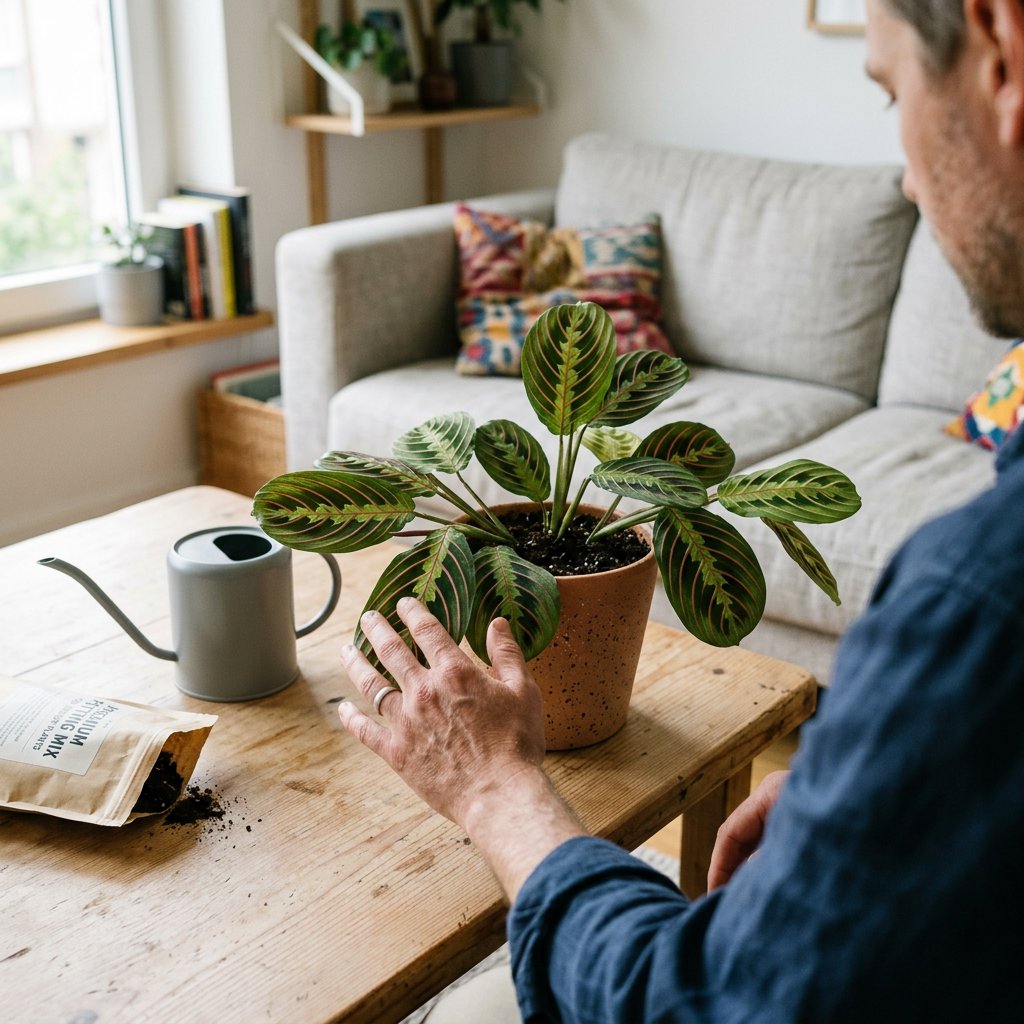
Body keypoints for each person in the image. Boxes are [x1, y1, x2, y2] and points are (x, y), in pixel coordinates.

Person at [338, 0, 1024, 1018]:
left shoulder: (976, 598)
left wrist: (493, 787)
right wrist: (895, 793)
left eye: (890, 94)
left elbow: (689, 1004)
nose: (909, 177)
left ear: (998, 48)